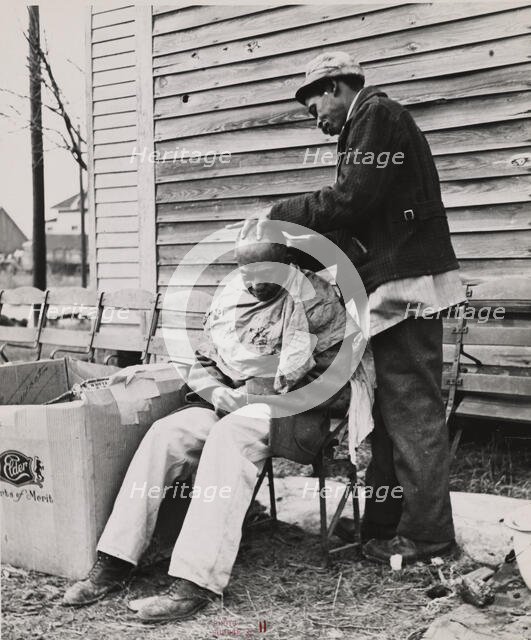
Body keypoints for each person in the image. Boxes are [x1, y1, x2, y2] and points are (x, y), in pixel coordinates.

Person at [62, 222, 354, 623]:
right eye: (245, 273)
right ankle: (115, 559)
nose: (252, 284)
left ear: (286, 264)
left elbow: (341, 387)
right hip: (229, 406)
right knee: (167, 433)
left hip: (292, 413)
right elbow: (205, 359)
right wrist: (219, 391)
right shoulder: (233, 296)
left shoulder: (319, 303)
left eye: (263, 273)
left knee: (228, 437)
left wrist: (264, 390)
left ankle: (194, 582)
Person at [239, 52, 465, 565]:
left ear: (339, 86)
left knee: (413, 413)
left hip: (407, 288)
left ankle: (430, 538)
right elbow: (348, 224)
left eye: (314, 100)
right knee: (389, 414)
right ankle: (384, 525)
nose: (313, 114)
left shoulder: (376, 116)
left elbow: (350, 200)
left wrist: (278, 215)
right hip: (388, 291)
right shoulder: (364, 131)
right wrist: (289, 250)